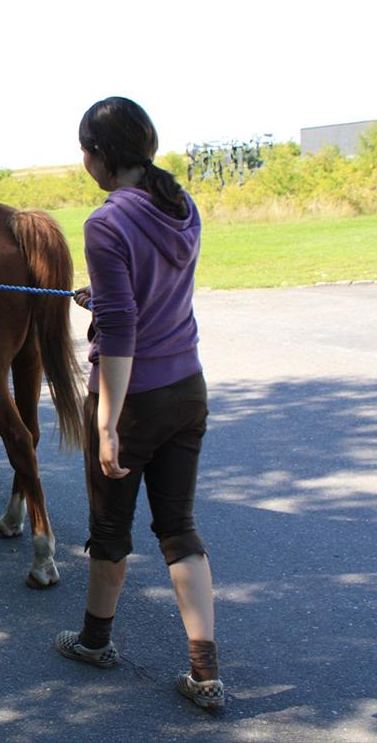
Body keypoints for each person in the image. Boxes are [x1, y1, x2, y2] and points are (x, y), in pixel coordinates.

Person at [54, 96, 224, 711]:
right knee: (178, 528)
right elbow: (146, 297)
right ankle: (204, 672)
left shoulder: (106, 223)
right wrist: (101, 294)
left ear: (100, 155)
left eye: (85, 150)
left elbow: (124, 329)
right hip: (188, 389)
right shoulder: (180, 204)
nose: (84, 162)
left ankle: (96, 641)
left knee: (110, 528)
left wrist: (105, 423)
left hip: (134, 399)